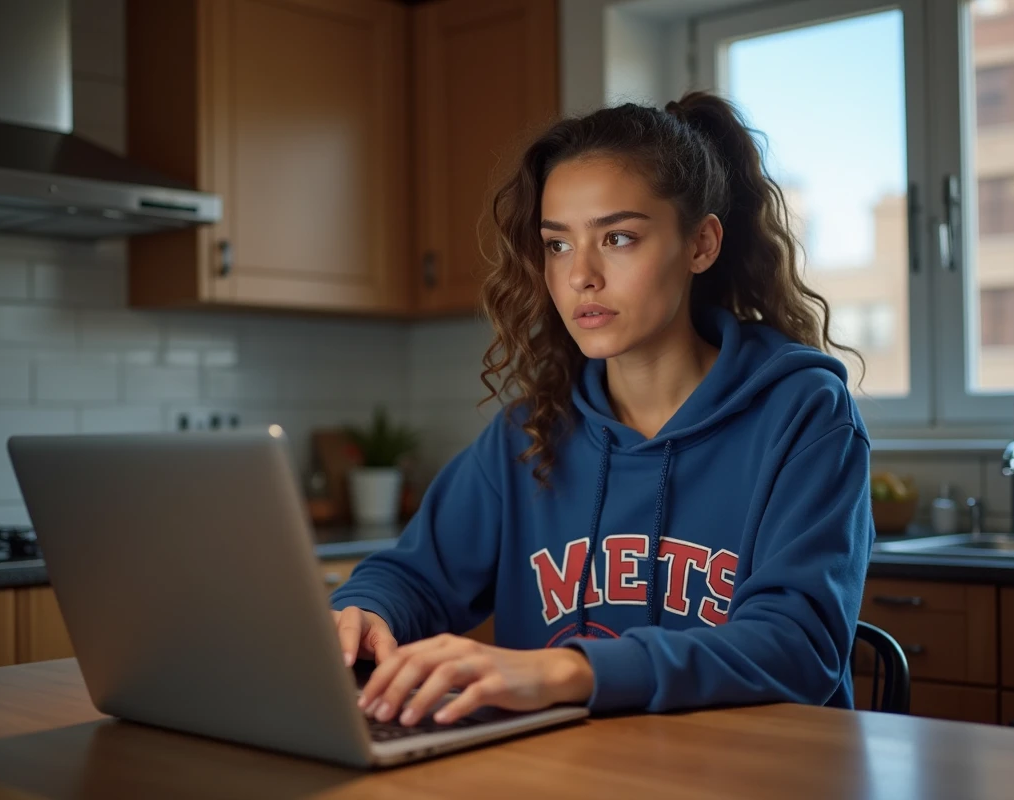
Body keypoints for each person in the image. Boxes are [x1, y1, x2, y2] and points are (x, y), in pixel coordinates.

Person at [330, 90, 874, 729]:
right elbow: (417, 577)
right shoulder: (531, 432)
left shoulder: (803, 415)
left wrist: (570, 671)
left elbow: (798, 647)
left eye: (617, 237)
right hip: (576, 774)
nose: (580, 275)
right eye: (557, 244)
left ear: (701, 244)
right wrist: (367, 612)